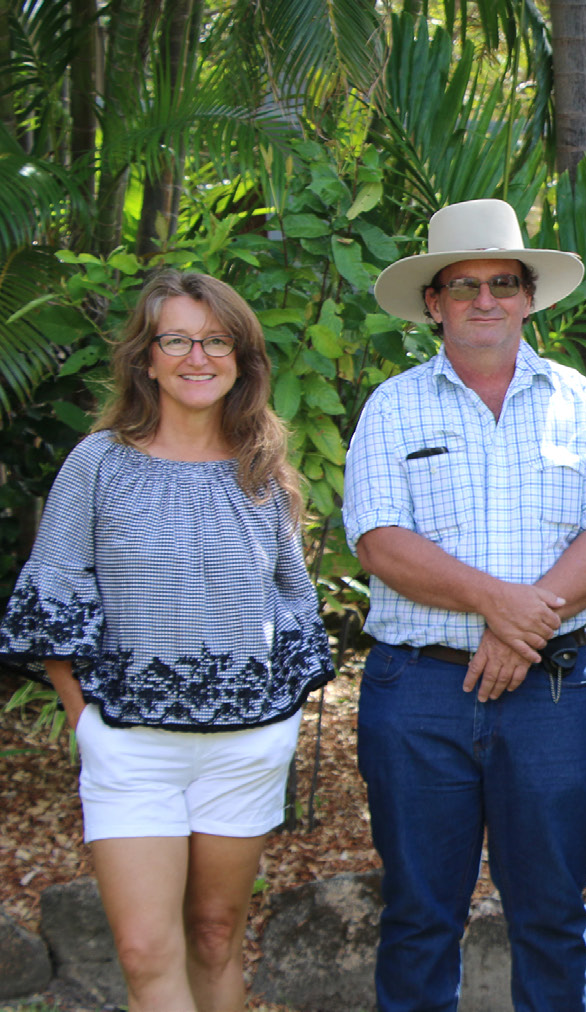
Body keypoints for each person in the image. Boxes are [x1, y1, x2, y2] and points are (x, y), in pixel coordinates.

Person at [0, 271, 333, 1010]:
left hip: (244, 750)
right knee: (146, 952)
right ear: (145, 358)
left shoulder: (262, 470)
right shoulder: (98, 463)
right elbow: (54, 591)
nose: (197, 356)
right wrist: (85, 723)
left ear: (241, 359)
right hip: (131, 750)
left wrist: (279, 723)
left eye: (216, 340)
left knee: (215, 934)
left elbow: (293, 605)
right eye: (176, 339)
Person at [346, 198, 586, 1010]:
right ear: (434, 303)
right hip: (420, 696)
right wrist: (502, 608)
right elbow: (379, 542)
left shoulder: (578, 402)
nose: (485, 299)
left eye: (503, 282)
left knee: (550, 915)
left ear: (528, 296)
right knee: (417, 915)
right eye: (464, 284)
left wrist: (524, 628)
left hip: (553, 693)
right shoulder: (392, 407)